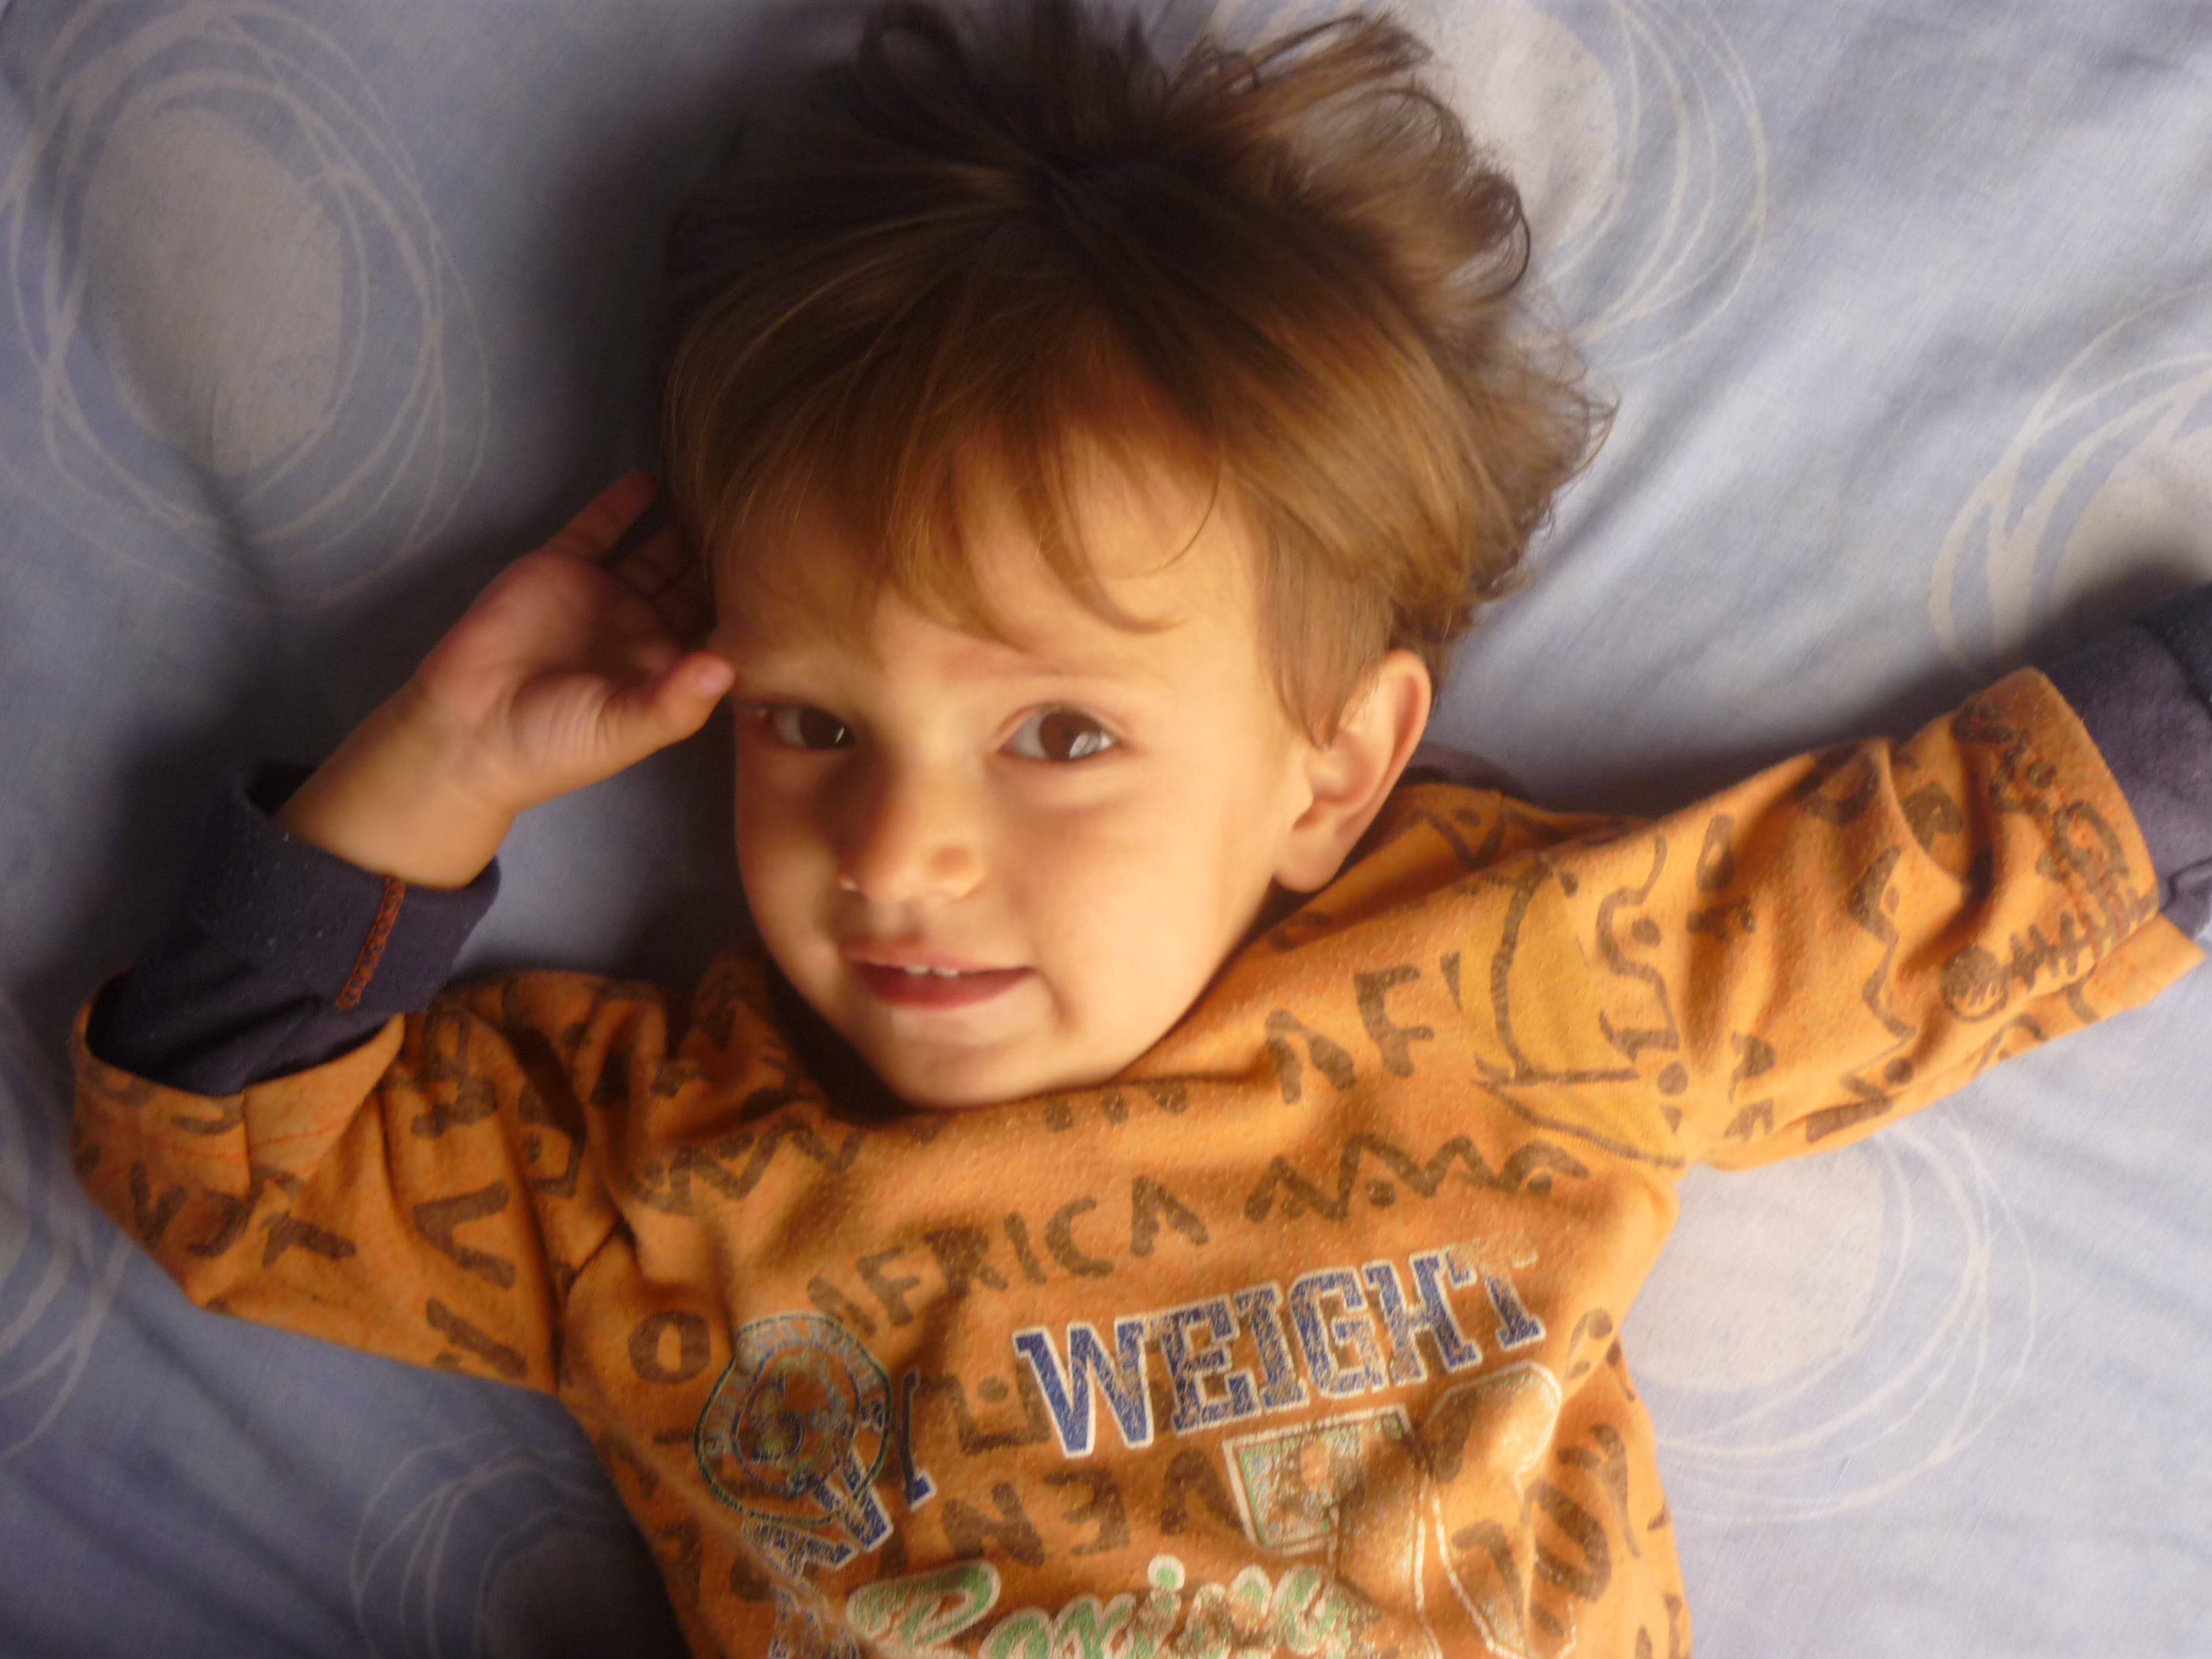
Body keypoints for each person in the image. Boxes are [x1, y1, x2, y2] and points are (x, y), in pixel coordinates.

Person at [70, 3, 2212, 1656]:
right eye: (812, 720)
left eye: (1062, 735)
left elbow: (1938, 879)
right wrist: (440, 763)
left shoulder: (1516, 990)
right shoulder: (653, 1171)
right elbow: (221, 1165)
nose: (893, 852)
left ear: (1333, 771)